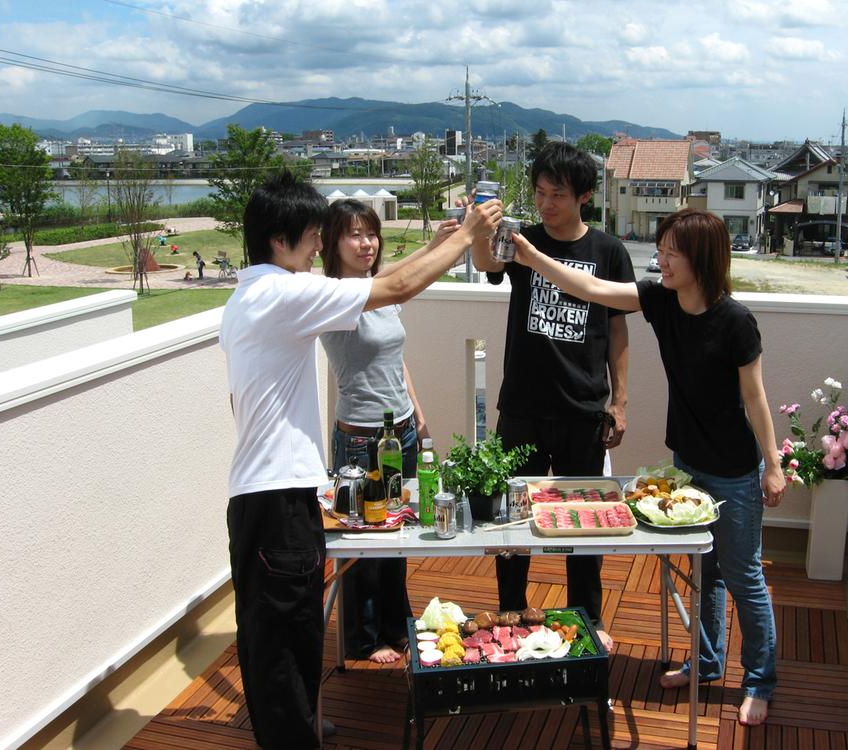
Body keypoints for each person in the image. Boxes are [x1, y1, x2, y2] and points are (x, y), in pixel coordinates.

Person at [220, 170, 500, 749]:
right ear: (280, 238)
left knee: (280, 638)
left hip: (259, 493)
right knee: (283, 640)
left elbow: (386, 281)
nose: (320, 244)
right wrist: (469, 230)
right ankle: (294, 734)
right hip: (276, 500)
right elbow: (394, 289)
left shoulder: (248, 296)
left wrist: (441, 241)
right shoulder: (283, 293)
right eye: (313, 234)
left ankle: (298, 724)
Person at [510, 207, 786, 727]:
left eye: (670, 252)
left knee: (744, 576)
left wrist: (772, 465)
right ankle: (705, 662)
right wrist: (531, 256)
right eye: (659, 250)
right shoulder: (662, 300)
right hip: (688, 463)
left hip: (732, 470)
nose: (659, 260)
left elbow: (756, 399)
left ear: (699, 259)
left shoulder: (736, 322)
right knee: (704, 573)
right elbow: (590, 290)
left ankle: (758, 680)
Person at [472, 141, 632, 650]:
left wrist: (620, 401)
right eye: (540, 192)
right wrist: (480, 228)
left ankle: (589, 617)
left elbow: (619, 332)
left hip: (583, 408)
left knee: (584, 524)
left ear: (584, 195)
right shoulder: (519, 238)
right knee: (510, 517)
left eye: (557, 194)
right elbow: (486, 265)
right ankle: (510, 615)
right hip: (521, 405)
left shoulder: (607, 251)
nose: (546, 203)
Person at [319, 199, 459, 664]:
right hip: (360, 438)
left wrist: (416, 412)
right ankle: (362, 636)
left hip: (399, 429)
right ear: (331, 243)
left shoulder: (373, 287)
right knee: (365, 540)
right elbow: (395, 283)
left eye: (371, 234)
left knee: (398, 532)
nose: (366, 243)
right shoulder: (335, 298)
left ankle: (396, 623)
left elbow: (394, 361)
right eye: (354, 234)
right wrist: (451, 244)